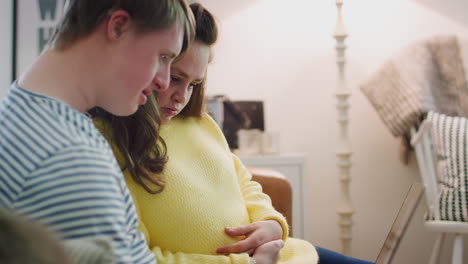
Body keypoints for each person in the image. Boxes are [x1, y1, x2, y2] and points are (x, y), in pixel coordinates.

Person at [97, 3, 374, 264]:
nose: (181, 97)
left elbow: (243, 181)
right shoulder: (103, 144)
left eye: (194, 83)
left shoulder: (199, 123)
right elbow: (139, 257)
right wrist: (244, 262)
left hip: (285, 255)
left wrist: (271, 223)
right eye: (176, 77)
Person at [0, 0, 194, 263]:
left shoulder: (20, 107)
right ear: (119, 26)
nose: (162, 81)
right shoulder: (71, 157)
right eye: (162, 56)